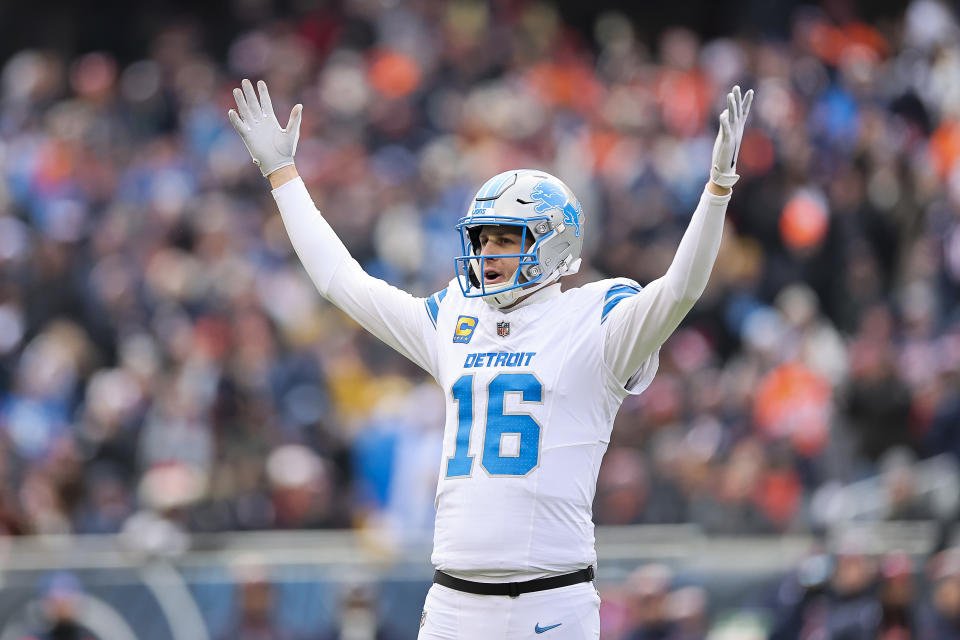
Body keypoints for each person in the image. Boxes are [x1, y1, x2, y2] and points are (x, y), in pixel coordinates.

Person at [229, 78, 753, 639]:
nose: (486, 254)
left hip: (553, 600)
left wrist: (717, 189)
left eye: (505, 238)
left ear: (555, 242)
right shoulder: (454, 319)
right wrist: (282, 176)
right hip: (454, 601)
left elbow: (680, 290)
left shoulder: (595, 320)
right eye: (481, 239)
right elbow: (341, 282)